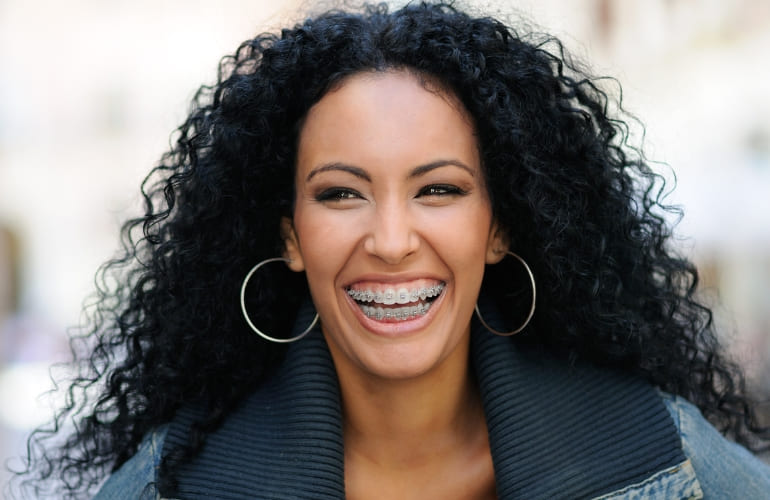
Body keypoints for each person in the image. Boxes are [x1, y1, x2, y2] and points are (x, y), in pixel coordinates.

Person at [14, 2, 770, 499]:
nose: (391, 241)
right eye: (341, 194)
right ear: (289, 235)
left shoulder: (663, 458)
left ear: (500, 226)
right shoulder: (172, 483)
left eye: (438, 190)